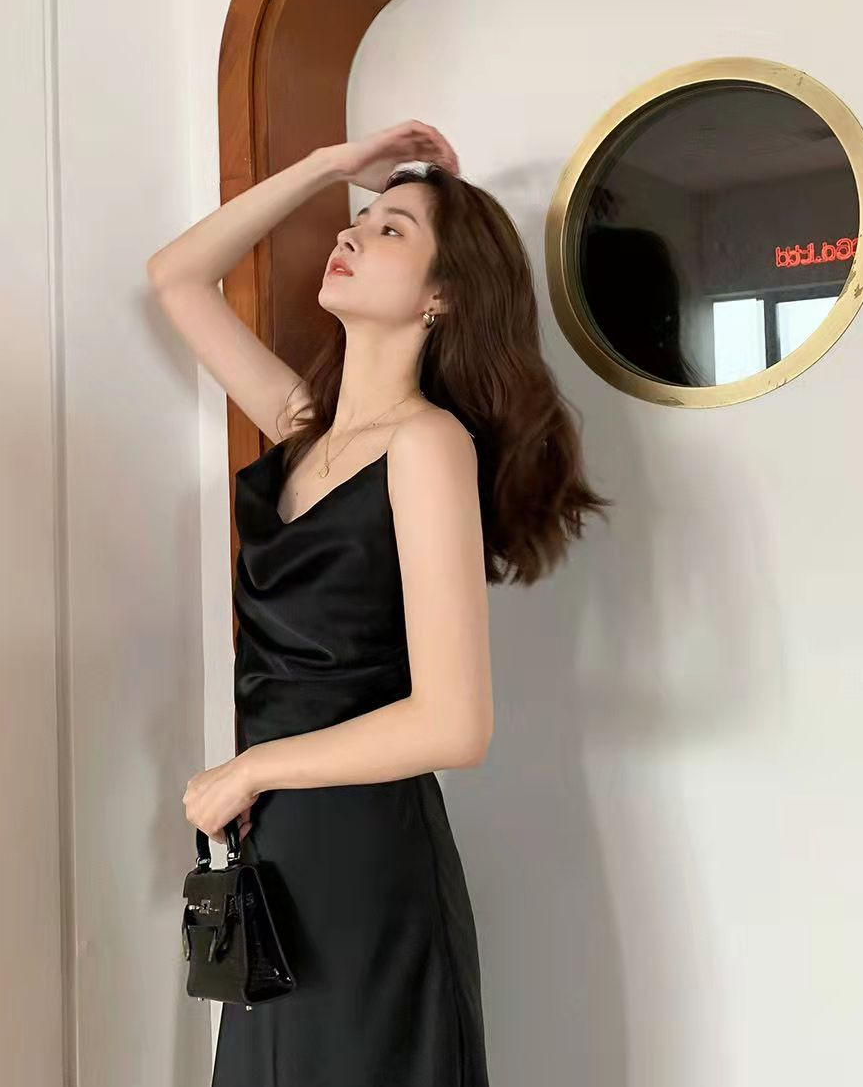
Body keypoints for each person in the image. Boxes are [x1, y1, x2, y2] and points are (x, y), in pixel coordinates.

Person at [147, 120, 611, 1087]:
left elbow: (455, 724)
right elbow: (177, 277)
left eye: (391, 230)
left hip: (362, 855)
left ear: (444, 296)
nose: (350, 235)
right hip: (274, 849)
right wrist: (329, 164)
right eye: (357, 222)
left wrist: (252, 768)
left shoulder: (428, 444)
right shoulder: (302, 429)